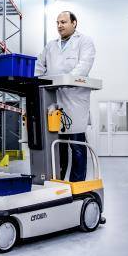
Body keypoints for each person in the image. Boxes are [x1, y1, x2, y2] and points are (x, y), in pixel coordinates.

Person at [34, 11, 95, 182]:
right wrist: (34, 82)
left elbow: (84, 65)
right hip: (54, 99)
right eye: (57, 22)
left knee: (76, 145)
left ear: (74, 23)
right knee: (57, 146)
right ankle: (58, 182)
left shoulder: (84, 41)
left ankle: (77, 185)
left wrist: (65, 80)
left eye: (64, 22)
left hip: (75, 99)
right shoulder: (50, 45)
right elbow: (39, 66)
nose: (60, 25)